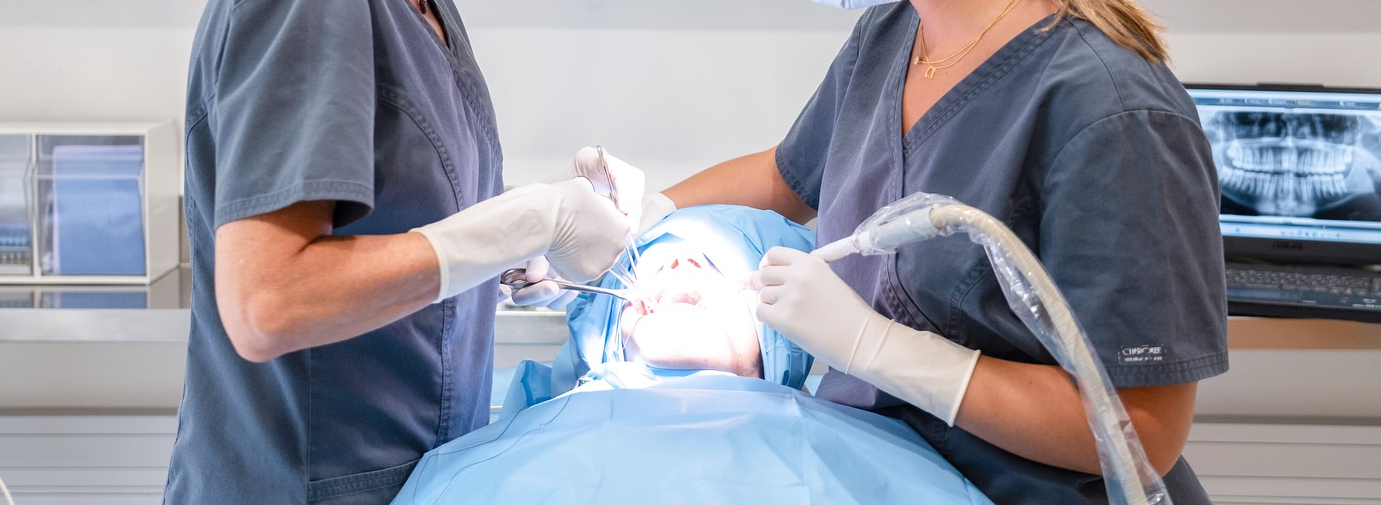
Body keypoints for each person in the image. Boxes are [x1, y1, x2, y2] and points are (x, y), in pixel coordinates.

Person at [658, 0, 1229, 504]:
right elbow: (789, 178)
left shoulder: (1109, 108)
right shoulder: (892, 35)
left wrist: (878, 348)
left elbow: (1145, 434)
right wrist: (631, 214)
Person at [164, 0, 639, 505]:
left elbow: (384, 223)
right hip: (303, 483)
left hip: (403, 473)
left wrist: (505, 254)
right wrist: (529, 217)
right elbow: (268, 303)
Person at [391, 205, 997, 505]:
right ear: (606, 321)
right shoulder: (470, 470)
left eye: (711, 261)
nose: (678, 264)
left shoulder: (884, 467)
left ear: (784, 332)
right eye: (651, 262)